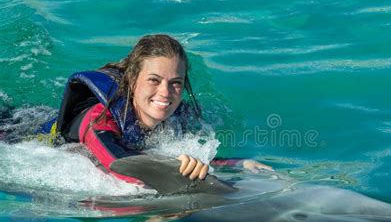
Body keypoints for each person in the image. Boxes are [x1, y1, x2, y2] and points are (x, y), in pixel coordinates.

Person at [39, 34, 272, 186]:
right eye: (154, 80)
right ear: (132, 79)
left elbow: (184, 156)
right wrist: (175, 172)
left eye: (175, 83)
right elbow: (119, 164)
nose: (165, 92)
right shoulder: (99, 120)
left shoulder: (175, 119)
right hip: (15, 134)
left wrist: (238, 165)